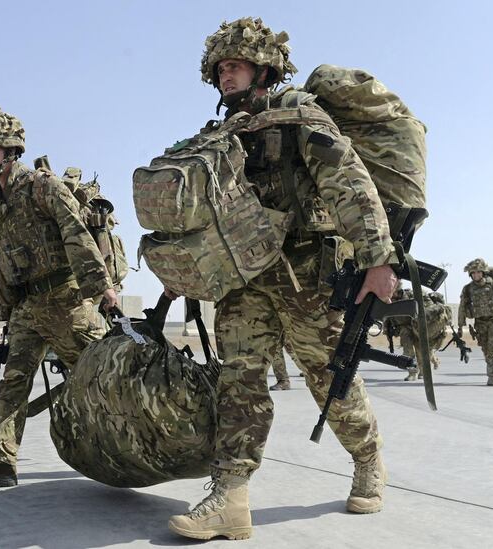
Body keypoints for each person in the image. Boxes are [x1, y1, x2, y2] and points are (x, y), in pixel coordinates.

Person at [166, 18, 398, 541]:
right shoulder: (217, 138)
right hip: (242, 282)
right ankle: (230, 497)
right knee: (239, 382)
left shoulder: (298, 117)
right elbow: (201, 216)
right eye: (221, 68)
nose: (227, 75)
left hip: (306, 279)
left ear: (263, 67)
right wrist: (178, 270)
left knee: (328, 382)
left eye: (236, 65)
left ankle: (368, 459)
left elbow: (348, 182)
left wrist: (378, 257)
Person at [0, 108, 118, 486]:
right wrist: (8, 310)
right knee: (14, 382)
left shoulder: (42, 186)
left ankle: (130, 447)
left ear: (11, 149)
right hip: (28, 308)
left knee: (98, 379)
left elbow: (76, 234)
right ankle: (0, 459)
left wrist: (101, 286)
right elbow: (5, 260)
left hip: (65, 301)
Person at [457, 258, 493, 386]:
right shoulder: (468, 289)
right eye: (473, 273)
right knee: (485, 349)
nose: (476, 275)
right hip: (480, 323)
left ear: (483, 272)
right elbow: (462, 307)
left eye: (478, 272)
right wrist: (460, 326)